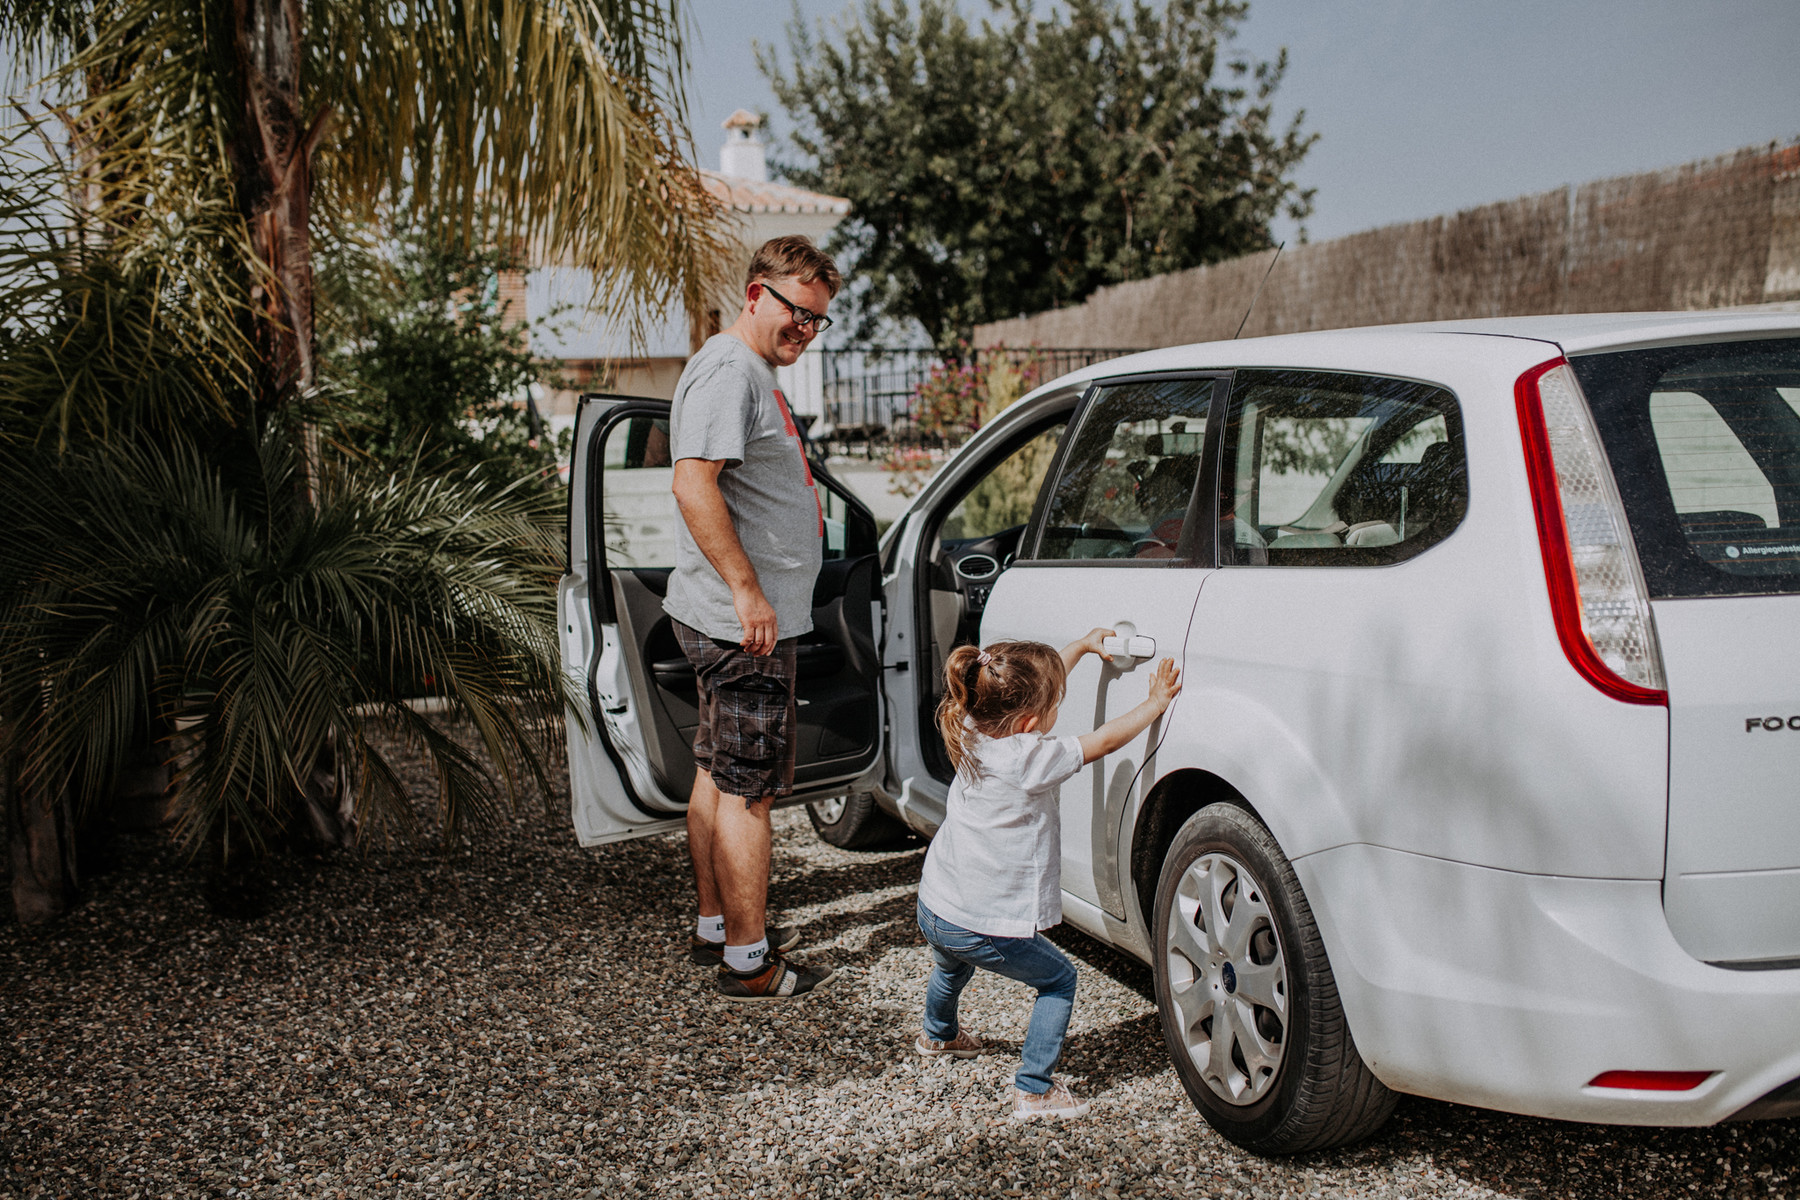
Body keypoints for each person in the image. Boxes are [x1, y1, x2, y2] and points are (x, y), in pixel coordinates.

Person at [665, 235, 842, 1001]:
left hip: (740, 619)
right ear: (754, 293)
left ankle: (715, 923)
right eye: (796, 311)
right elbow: (693, 485)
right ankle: (748, 960)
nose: (804, 327)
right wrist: (747, 589)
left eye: (817, 320)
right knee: (750, 790)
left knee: (717, 770)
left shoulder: (750, 372)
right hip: (745, 627)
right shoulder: (729, 369)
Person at [914, 630, 1182, 1119]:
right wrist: (1155, 702)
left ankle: (939, 1035)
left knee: (950, 966)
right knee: (1059, 980)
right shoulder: (1030, 758)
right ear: (1032, 722)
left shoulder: (969, 721)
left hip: (936, 904)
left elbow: (1030, 684)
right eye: (1055, 702)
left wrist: (1080, 645)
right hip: (981, 920)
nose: (1058, 708)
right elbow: (1102, 741)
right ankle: (1034, 1090)